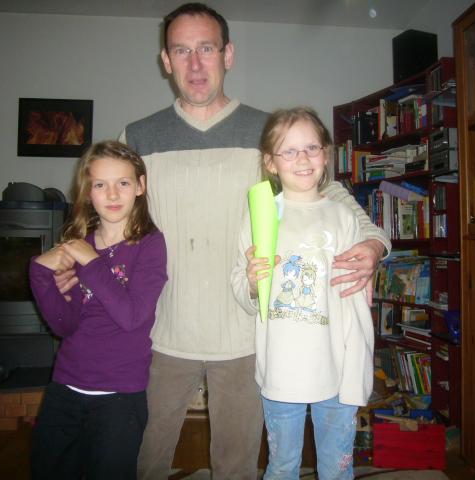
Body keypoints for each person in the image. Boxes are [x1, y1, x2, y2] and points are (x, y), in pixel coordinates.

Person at [85, 3, 390, 479]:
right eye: (181, 51)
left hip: (248, 336)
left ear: (228, 54)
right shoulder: (138, 137)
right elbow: (108, 216)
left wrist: (374, 245)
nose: (194, 64)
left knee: (237, 466)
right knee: (144, 461)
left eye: (206, 48)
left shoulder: (267, 134)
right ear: (165, 60)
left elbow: (331, 196)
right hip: (160, 334)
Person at [231, 107, 375, 480]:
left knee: (338, 467)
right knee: (281, 466)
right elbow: (241, 288)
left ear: (325, 155)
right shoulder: (260, 215)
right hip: (281, 370)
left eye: (311, 148)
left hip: (337, 369)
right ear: (271, 162)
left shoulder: (343, 217)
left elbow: (355, 296)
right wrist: (251, 281)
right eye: (290, 150)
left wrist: (357, 367)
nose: (303, 158)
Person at [29, 140, 167, 479]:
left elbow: (132, 317)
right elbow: (64, 325)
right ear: (87, 192)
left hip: (119, 396)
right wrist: (40, 275)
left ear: (140, 186)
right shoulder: (80, 243)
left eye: (123, 182)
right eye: (100, 185)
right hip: (65, 387)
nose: (113, 194)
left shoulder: (150, 244)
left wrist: (91, 263)